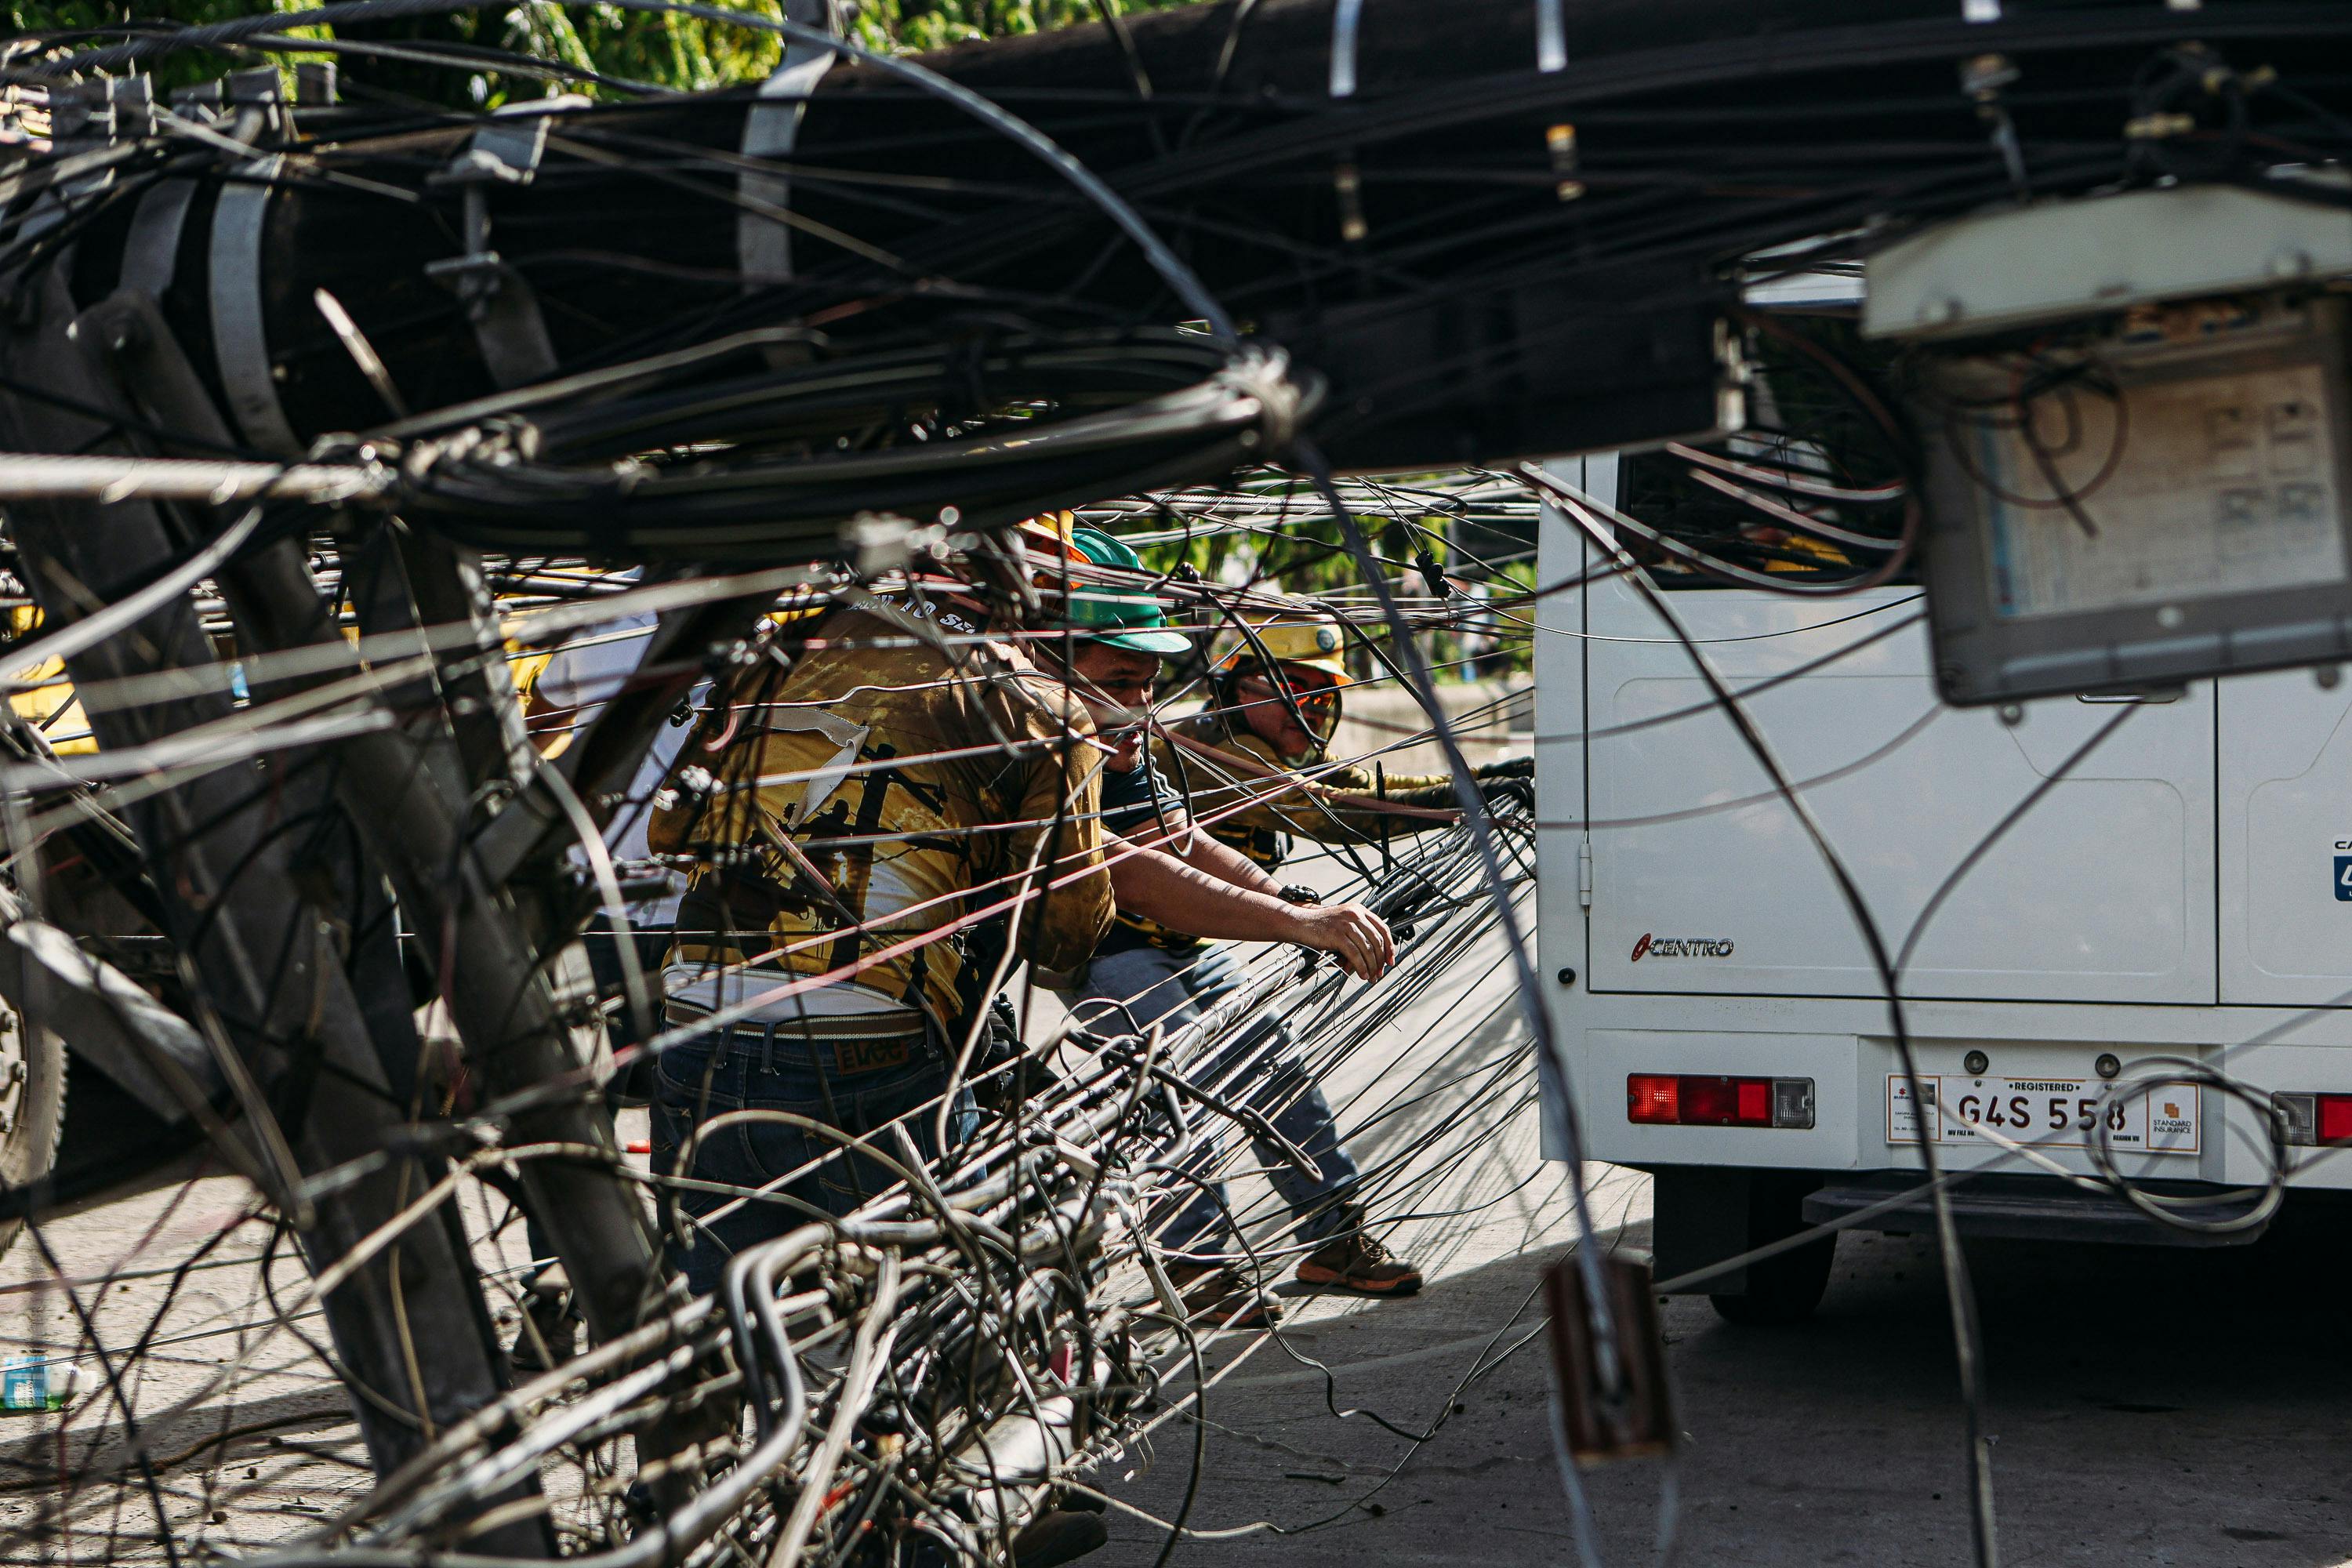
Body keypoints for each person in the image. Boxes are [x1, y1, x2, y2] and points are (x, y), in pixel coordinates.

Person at [640, 536, 1397, 1299]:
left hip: (696, 1018)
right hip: (870, 1039)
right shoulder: (1037, 707)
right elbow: (1068, 929)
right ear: (1036, 631)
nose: (1139, 705)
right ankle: (1193, 1264)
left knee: (716, 1324)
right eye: (1122, 681)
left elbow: (668, 831)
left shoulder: (784, 651)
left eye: (1148, 684)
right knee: (931, 1311)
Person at [1064, 579, 1531, 1316]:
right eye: (1291, 689)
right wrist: (1463, 797)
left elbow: (1183, 838)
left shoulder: (1141, 743)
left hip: (1188, 935)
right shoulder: (1210, 748)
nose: (1310, 708)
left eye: (1322, 693)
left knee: (1274, 1068)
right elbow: (1324, 805)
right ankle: (1198, 1266)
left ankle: (1335, 1237)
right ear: (1235, 688)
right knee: (1175, 1086)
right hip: (1108, 943)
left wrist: (1293, 902)